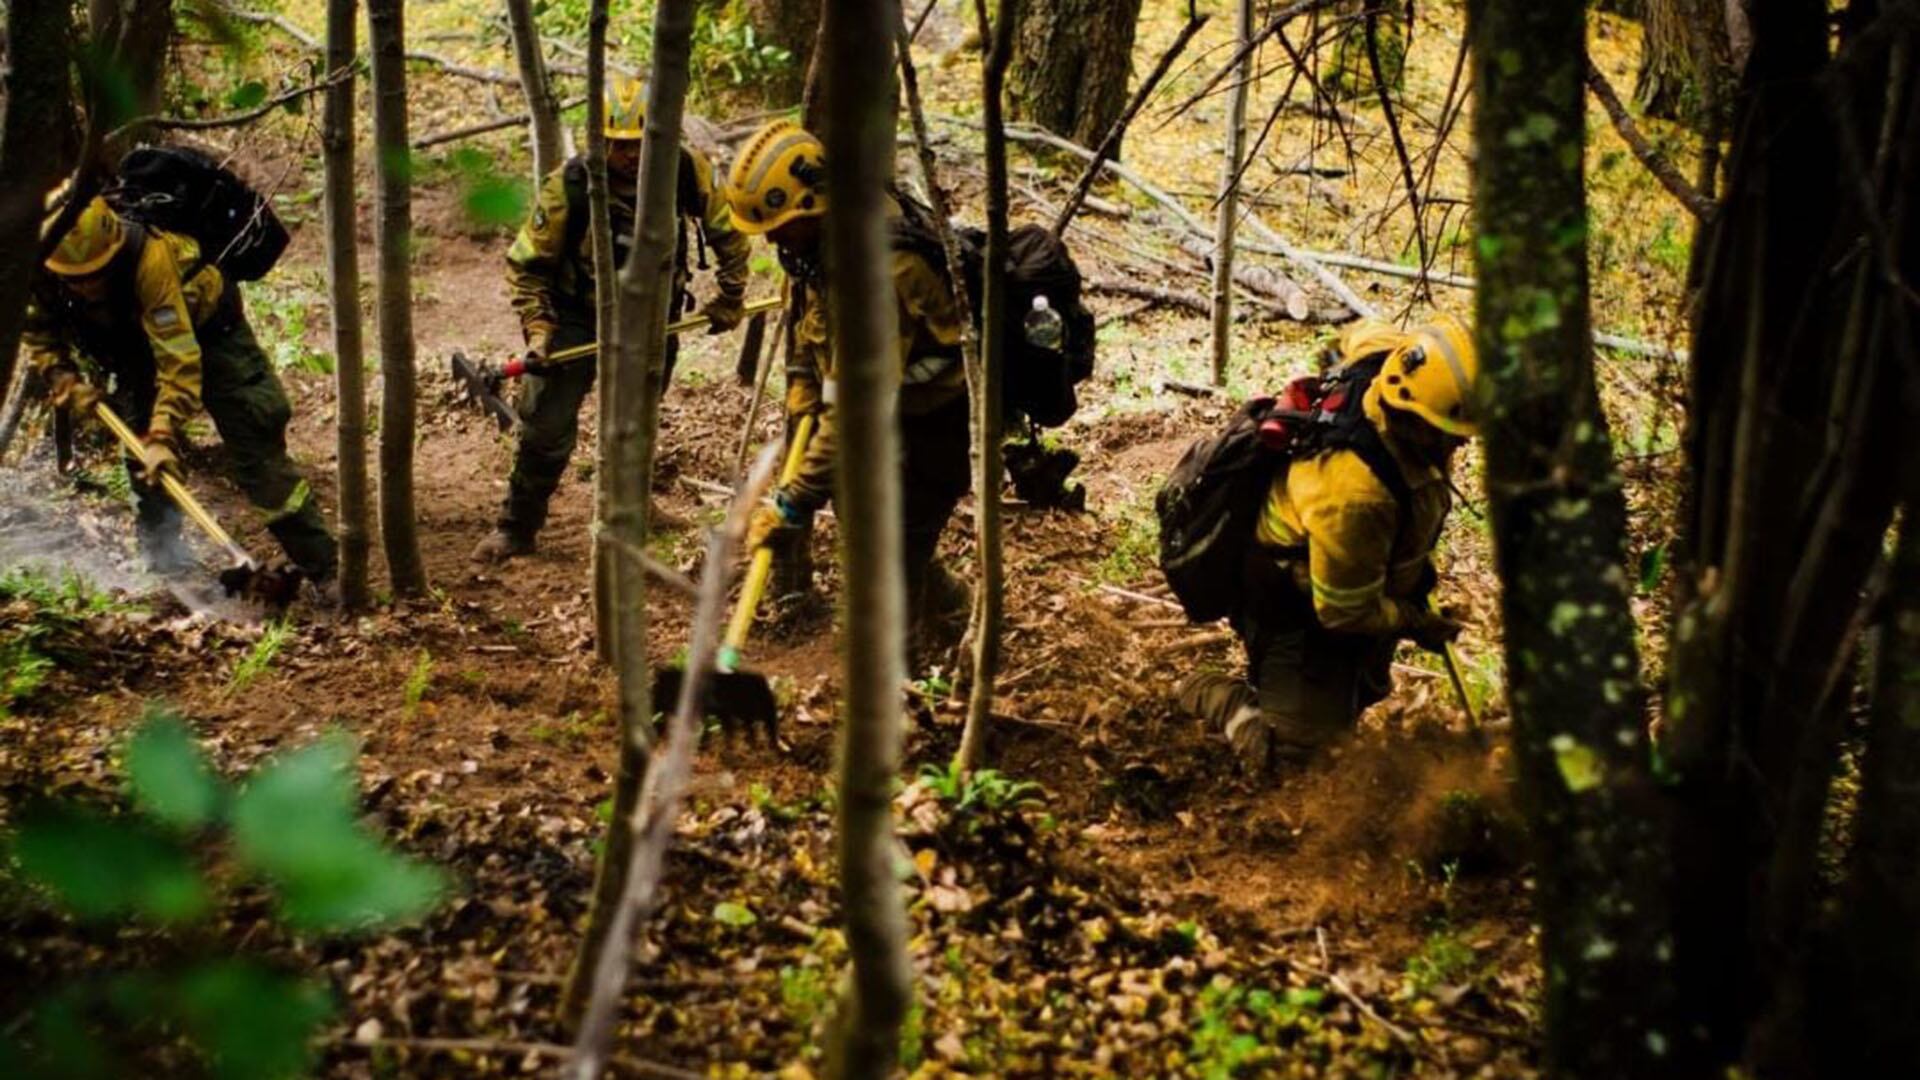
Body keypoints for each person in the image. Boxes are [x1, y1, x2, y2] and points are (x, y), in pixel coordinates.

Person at [1176, 315, 1481, 769]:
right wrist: (1414, 622)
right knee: (1294, 763)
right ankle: (1214, 695)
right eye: (1448, 435)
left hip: (1355, 571)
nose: (1457, 449)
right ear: (1413, 418)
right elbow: (1344, 611)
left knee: (1350, 694)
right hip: (1293, 600)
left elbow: (1355, 334)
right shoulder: (1357, 494)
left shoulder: (1389, 359)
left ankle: (1317, 702)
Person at [472, 77, 751, 562]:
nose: (629, 156)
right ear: (598, 142)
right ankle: (517, 526)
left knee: (637, 421)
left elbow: (728, 232)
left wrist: (730, 294)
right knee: (546, 426)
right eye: (618, 145)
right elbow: (525, 267)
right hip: (575, 317)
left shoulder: (685, 170)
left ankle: (633, 508)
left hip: (652, 318)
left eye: (638, 144)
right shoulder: (570, 187)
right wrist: (540, 332)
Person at [723, 120, 972, 651]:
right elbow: (812, 336)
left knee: (891, 554)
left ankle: (902, 678)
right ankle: (951, 607)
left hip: (936, 421)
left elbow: (855, 408)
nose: (770, 239)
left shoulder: (880, 272)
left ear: (813, 207)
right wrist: (802, 402)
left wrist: (793, 501)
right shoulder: (825, 243)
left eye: (779, 225)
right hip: (892, 407)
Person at [26, 186, 337, 587]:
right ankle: (168, 569)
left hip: (211, 336)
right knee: (142, 463)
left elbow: (179, 360)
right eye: (77, 279)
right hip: (135, 350)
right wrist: (60, 375)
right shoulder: (40, 262)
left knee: (256, 446)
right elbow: (36, 330)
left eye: (96, 274)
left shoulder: (150, 260)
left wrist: (163, 432)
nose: (87, 287)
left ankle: (325, 570)